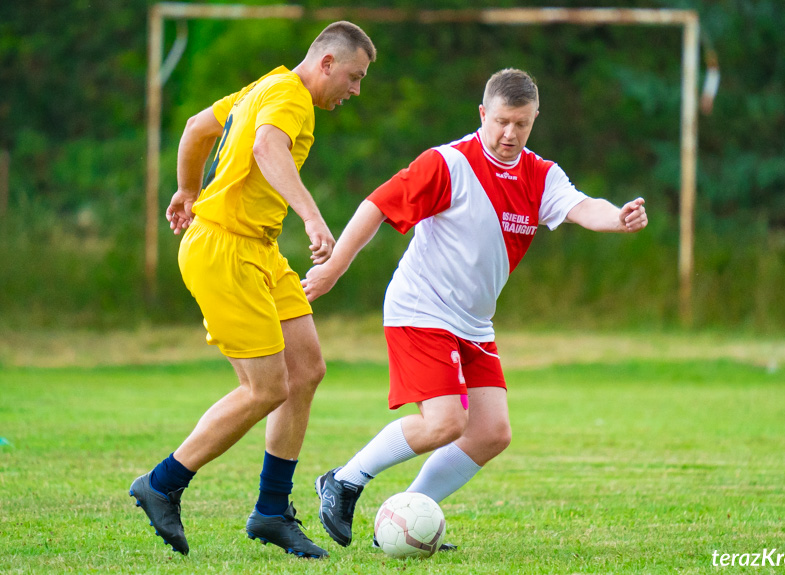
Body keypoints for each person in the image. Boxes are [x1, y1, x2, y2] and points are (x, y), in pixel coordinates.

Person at [302, 68, 648, 550]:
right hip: (420, 309)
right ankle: (343, 480)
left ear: (534, 120)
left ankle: (403, 519)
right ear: (483, 114)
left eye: (522, 124)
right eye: (502, 121)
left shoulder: (541, 174)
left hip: (473, 322)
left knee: (491, 433)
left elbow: (581, 206)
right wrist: (334, 269)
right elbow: (377, 205)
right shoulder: (446, 164)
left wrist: (618, 218)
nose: (510, 134)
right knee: (446, 422)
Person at [129, 21, 376, 560]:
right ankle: (163, 483)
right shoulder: (290, 97)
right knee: (266, 389)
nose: (355, 91)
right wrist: (313, 218)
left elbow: (197, 127)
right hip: (225, 251)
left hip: (260, 250)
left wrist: (187, 189)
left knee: (306, 369)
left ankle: (270, 511)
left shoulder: (265, 85)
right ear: (327, 63)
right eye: (354, 78)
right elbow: (267, 147)